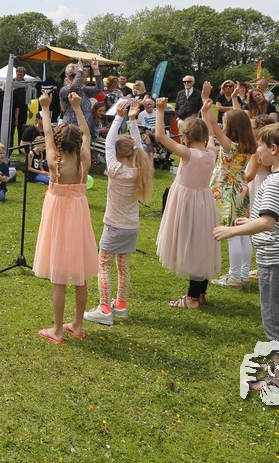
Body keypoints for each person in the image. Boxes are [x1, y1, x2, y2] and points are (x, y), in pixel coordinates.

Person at [215, 123, 279, 388]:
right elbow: (278, 218)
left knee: (275, 318)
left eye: (260, 146)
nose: (257, 151)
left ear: (273, 149)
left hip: (278, 260)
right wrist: (250, 221)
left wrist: (232, 230)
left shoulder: (275, 183)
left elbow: (268, 222)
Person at [31, 91, 98, 344]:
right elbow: (87, 134)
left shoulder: (53, 161)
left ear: (58, 144)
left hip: (58, 217)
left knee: (59, 278)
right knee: (80, 275)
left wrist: (45, 109)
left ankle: (58, 330)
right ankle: (77, 325)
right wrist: (78, 108)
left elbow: (48, 133)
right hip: (78, 216)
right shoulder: (84, 161)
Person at [84, 100, 153, 326]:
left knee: (103, 264)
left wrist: (120, 117)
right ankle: (121, 305)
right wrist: (131, 120)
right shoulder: (139, 169)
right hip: (131, 227)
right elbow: (139, 147)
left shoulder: (115, 169)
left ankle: (105, 309)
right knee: (123, 267)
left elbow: (109, 142)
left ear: (116, 153)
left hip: (114, 226)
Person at [154, 96, 222, 309]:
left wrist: (160, 110)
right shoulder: (212, 152)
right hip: (204, 202)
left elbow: (159, 136)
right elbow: (211, 135)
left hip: (186, 203)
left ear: (186, 136)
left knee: (191, 246)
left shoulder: (187, 153)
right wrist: (205, 113)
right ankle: (200, 293)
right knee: (202, 245)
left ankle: (192, 298)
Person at [202, 94, 257, 289]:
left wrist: (206, 108)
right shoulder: (249, 145)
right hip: (241, 188)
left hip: (226, 191)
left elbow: (212, 126)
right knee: (242, 233)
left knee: (232, 234)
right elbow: (213, 128)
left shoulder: (229, 145)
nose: (223, 124)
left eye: (225, 122)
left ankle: (234, 278)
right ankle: (242, 275)